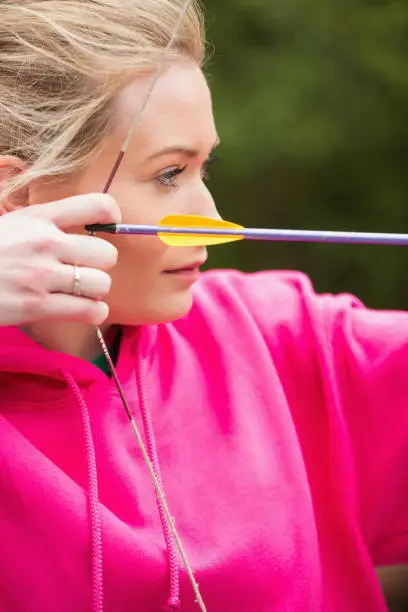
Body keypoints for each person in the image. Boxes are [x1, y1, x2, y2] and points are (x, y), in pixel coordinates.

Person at [0, 1, 406, 612]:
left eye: (203, 166)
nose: (212, 222)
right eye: (169, 174)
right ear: (21, 198)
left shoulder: (278, 339)